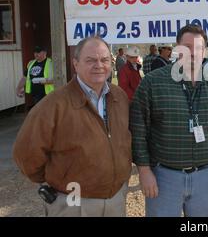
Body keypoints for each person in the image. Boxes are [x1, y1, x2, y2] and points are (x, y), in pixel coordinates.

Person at [129, 25, 208, 217]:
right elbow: (138, 130)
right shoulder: (152, 83)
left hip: (206, 176)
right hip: (164, 176)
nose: (192, 53)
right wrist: (143, 170)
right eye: (186, 47)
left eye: (198, 48)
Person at [13, 36, 132, 217]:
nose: (99, 65)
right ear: (75, 64)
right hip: (73, 203)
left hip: (115, 199)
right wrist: (56, 181)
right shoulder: (53, 104)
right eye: (90, 60)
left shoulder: (119, 97)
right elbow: (26, 154)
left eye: (104, 60)